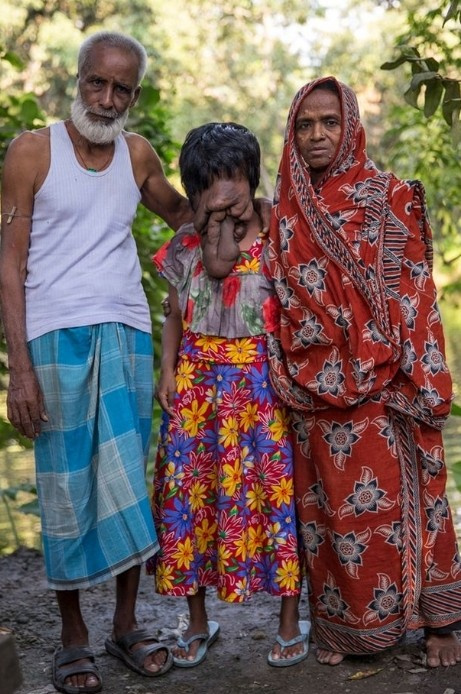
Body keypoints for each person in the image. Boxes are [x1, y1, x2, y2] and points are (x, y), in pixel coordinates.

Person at [0, 32, 264, 694]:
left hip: (125, 332)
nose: (107, 98)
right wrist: (20, 369)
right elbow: (8, 262)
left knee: (126, 484)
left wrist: (244, 206)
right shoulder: (33, 151)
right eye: (97, 83)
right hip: (54, 337)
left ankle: (123, 625)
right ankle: (72, 639)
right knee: (65, 485)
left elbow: (184, 215)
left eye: (121, 88)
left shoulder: (136, 153)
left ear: (134, 95)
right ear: (78, 79)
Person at [266, 75, 461, 668]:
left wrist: (414, 373)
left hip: (389, 381)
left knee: (416, 497)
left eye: (329, 122)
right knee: (331, 508)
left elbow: (416, 291)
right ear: (292, 134)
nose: (317, 135)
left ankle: (440, 625)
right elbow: (275, 297)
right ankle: (350, 630)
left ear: (350, 125)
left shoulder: (388, 196)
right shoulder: (284, 213)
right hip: (313, 385)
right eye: (305, 125)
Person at [147, 122, 310, 669]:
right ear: (193, 193)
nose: (222, 195)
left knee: (275, 499)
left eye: (232, 178)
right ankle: (196, 619)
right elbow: (174, 314)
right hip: (196, 388)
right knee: (188, 501)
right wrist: (167, 370)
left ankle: (290, 621)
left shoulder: (277, 235)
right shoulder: (186, 246)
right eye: (209, 185)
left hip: (262, 389)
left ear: (251, 177)